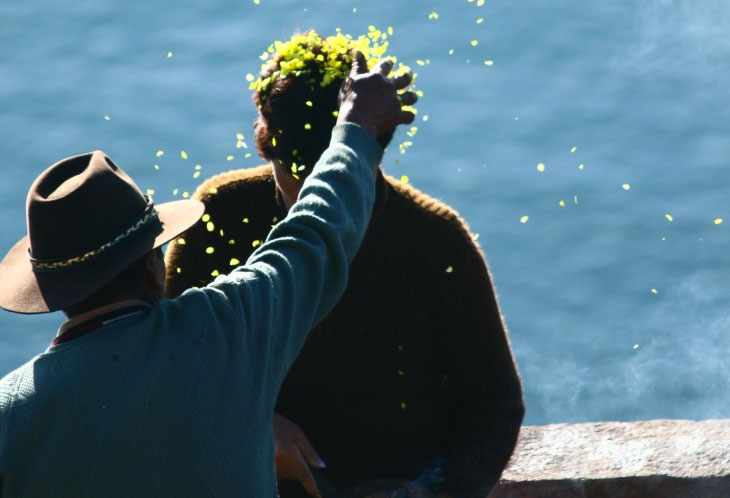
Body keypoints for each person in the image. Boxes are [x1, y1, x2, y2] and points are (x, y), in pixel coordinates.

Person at [0, 52, 416, 497]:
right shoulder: (228, 329)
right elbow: (317, 231)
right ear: (151, 267)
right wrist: (354, 126)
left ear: (51, 291)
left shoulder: (11, 413)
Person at [165, 30, 525, 498]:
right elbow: (172, 363)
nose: (318, 200)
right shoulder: (220, 214)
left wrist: (442, 491)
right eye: (300, 178)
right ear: (265, 141)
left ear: (374, 151)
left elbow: (493, 401)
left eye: (335, 175)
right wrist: (253, 424)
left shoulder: (436, 243)